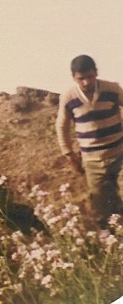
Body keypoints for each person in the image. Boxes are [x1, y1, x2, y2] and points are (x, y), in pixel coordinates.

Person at [56, 54, 123, 231]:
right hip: (93, 162)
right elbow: (62, 126)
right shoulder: (69, 97)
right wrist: (69, 155)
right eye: (81, 78)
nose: (86, 82)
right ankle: (112, 240)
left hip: (119, 154)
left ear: (96, 73)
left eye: (90, 76)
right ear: (73, 78)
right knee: (103, 207)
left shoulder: (112, 89)